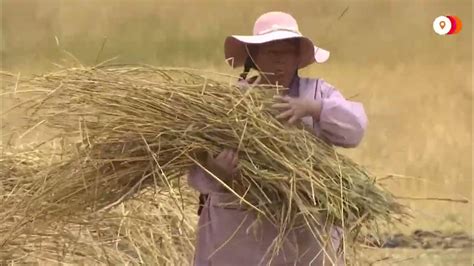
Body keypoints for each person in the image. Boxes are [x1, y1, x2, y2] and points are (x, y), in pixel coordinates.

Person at [188, 11, 368, 266]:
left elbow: (355, 130)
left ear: (297, 58)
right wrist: (216, 171)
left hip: (304, 231)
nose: (280, 62)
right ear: (255, 56)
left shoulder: (316, 93)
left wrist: (313, 109)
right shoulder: (230, 103)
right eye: (272, 54)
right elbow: (197, 164)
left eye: (287, 53)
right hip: (239, 234)